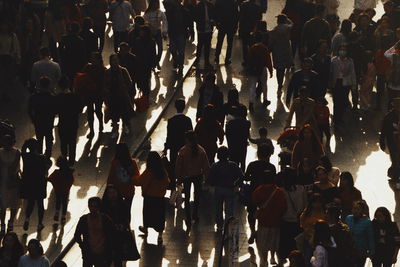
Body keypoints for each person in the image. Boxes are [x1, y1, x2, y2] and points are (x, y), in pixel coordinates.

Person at [175, 131, 210, 230]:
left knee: (187, 197)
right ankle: (195, 214)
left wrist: (178, 178)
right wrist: (207, 178)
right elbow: (206, 166)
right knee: (197, 196)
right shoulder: (201, 150)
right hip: (198, 176)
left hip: (186, 176)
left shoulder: (183, 151)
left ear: (187, 139)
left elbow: (178, 166)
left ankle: (188, 217)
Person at [134, 151, 169, 243]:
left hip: (149, 197)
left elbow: (139, 182)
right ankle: (160, 235)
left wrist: (132, 177)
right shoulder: (162, 171)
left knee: (147, 214)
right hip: (160, 198)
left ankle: (146, 229)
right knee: (159, 217)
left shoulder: (149, 171)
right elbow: (167, 182)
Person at [244, 144, 276, 244]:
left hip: (253, 192)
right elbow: (273, 181)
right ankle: (260, 231)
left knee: (251, 213)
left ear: (258, 154)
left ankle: (253, 231)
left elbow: (246, 177)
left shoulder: (252, 165)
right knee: (265, 213)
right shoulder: (271, 167)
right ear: (269, 155)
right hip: (267, 194)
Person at [207, 146, 242, 231]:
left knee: (218, 208)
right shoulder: (233, 165)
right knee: (229, 209)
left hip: (218, 189)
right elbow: (241, 176)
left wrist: (211, 185)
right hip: (230, 189)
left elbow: (210, 178)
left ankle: (219, 226)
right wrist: (236, 184)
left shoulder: (215, 166)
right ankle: (228, 226)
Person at [252, 181, 287, 267]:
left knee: (263, 242)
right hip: (275, 221)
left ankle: (264, 259)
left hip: (263, 221)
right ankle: (272, 257)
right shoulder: (279, 191)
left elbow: (254, 202)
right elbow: (283, 206)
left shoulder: (258, 190)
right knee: (274, 241)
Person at [278, 167, 307, 266]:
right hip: (298, 223)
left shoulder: (281, 191)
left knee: (284, 249)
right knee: (296, 249)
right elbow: (305, 205)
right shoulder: (301, 189)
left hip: (285, 224)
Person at [74, 197, 115, 267]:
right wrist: (83, 246)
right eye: (91, 206)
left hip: (103, 252)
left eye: (95, 206)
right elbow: (77, 235)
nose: (93, 208)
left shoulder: (105, 219)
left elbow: (112, 234)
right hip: (88, 252)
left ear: (99, 207)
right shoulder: (83, 219)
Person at [21, 138, 51, 232]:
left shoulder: (25, 157)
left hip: (30, 184)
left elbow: (22, 150)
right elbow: (45, 168)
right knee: (40, 205)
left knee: (30, 203)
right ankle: (39, 223)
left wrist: (25, 143)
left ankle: (27, 219)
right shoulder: (42, 157)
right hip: (40, 183)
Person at [104, 54, 135, 137]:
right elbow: (105, 84)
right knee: (114, 114)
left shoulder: (123, 70)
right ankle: (115, 130)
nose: (115, 62)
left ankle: (125, 126)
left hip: (122, 96)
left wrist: (125, 90)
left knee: (124, 113)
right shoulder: (107, 72)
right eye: (113, 60)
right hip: (112, 97)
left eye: (116, 60)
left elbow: (129, 82)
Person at [164, 98, 193, 187]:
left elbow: (169, 136)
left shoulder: (171, 120)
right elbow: (191, 135)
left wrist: (166, 147)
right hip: (185, 146)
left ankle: (173, 183)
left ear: (175, 107)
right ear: (184, 107)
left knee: (173, 164)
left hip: (173, 146)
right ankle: (184, 184)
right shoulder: (188, 120)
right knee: (185, 165)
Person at [107, 143, 140, 222]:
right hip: (129, 191)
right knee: (127, 210)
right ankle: (127, 225)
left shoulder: (115, 163)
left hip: (117, 191)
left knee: (117, 210)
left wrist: (108, 187)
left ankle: (119, 224)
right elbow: (137, 177)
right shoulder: (132, 163)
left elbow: (111, 176)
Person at [101, 185, 131, 267]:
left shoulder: (123, 205)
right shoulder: (103, 206)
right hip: (106, 236)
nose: (112, 195)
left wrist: (123, 225)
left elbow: (127, 218)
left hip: (119, 236)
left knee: (118, 258)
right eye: (110, 193)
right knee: (107, 259)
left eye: (114, 192)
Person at [56, 76, 83, 165]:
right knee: (72, 142)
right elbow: (80, 110)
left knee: (63, 142)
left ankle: (64, 158)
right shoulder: (75, 96)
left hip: (62, 122)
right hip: (73, 122)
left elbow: (55, 110)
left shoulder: (58, 97)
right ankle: (71, 160)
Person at [28, 76, 56, 157]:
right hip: (49, 121)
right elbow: (56, 109)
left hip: (38, 120)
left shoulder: (34, 97)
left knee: (39, 139)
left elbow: (29, 110)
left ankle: (39, 155)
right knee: (49, 139)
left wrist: (33, 119)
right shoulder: (52, 97)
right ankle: (47, 156)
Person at [329, 44, 357, 126]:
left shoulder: (350, 61)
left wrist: (354, 85)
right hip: (336, 82)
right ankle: (336, 119)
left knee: (343, 101)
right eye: (341, 49)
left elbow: (353, 73)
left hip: (345, 83)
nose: (343, 51)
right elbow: (331, 72)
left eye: (344, 50)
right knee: (336, 101)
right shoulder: (334, 60)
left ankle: (340, 117)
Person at [81, 52, 106, 138]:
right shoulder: (88, 67)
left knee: (98, 110)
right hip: (89, 93)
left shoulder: (102, 69)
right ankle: (92, 130)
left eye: (93, 58)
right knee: (90, 112)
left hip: (98, 93)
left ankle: (100, 123)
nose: (92, 59)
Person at [247, 32, 273, 111]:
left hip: (253, 69)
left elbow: (249, 59)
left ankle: (251, 102)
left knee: (252, 86)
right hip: (262, 68)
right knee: (264, 84)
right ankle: (265, 100)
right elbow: (268, 60)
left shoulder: (252, 48)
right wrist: (270, 70)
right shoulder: (264, 48)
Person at [345, 200, 375, 267]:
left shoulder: (367, 222)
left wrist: (371, 252)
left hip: (361, 251)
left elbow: (370, 238)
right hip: (349, 249)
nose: (355, 211)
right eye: (354, 208)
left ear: (362, 210)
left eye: (358, 209)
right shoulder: (348, 218)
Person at [0, 135, 21, 233]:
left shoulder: (16, 153)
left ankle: (6, 223)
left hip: (6, 182)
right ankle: (7, 223)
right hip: (9, 182)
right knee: (8, 205)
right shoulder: (16, 153)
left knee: (9, 204)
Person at [269, 14, 294, 95]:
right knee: (284, 69)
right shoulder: (287, 28)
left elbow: (271, 42)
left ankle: (279, 84)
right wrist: (288, 19)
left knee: (279, 70)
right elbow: (292, 24)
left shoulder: (275, 30)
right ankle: (281, 83)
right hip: (286, 52)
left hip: (277, 53)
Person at [164, 0, 190, 74]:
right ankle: (176, 60)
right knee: (172, 50)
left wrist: (190, 30)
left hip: (181, 33)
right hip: (173, 33)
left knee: (181, 52)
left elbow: (188, 22)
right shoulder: (170, 11)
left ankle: (181, 66)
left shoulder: (184, 11)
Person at [299, 194, 327, 264]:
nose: (317, 204)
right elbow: (302, 223)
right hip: (308, 238)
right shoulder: (307, 212)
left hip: (321, 240)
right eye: (315, 202)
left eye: (319, 202)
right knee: (307, 258)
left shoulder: (325, 212)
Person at [131, 25, 156, 96]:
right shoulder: (137, 40)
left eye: (142, 31)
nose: (140, 33)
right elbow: (133, 51)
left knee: (145, 82)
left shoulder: (151, 42)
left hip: (146, 65)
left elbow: (153, 53)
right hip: (139, 64)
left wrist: (153, 63)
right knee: (140, 81)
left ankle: (145, 97)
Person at [48, 156, 74, 224]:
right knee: (65, 202)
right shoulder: (69, 172)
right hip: (65, 190)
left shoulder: (56, 172)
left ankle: (57, 212)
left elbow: (50, 178)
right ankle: (63, 216)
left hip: (58, 190)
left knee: (58, 201)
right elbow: (71, 180)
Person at [144, 0, 168, 70]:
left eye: (157, 3)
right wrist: (148, 25)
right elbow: (144, 21)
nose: (156, 4)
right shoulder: (147, 13)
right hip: (150, 33)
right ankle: (155, 64)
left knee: (160, 49)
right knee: (153, 49)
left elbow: (165, 22)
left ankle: (157, 61)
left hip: (158, 32)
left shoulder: (160, 13)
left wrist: (164, 32)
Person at [226, 105, 251, 171]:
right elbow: (247, 135)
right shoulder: (247, 123)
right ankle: (241, 177)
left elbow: (228, 136)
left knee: (233, 163)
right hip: (242, 146)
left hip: (233, 146)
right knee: (242, 162)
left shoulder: (230, 123)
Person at [214, 0, 239, 65]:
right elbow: (236, 15)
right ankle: (227, 59)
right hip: (231, 26)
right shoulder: (234, 3)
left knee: (219, 41)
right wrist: (236, 26)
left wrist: (217, 23)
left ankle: (217, 57)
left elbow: (215, 13)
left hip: (222, 24)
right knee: (229, 43)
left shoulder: (219, 2)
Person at [0, 21, 20, 100]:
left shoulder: (12, 36)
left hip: (9, 58)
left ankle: (6, 93)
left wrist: (18, 57)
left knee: (8, 77)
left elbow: (16, 47)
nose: (4, 27)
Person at [193, 0, 215, 68]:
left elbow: (214, 15)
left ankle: (205, 61)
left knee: (206, 46)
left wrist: (212, 21)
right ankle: (200, 60)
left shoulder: (209, 5)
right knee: (201, 45)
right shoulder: (199, 6)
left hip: (208, 29)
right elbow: (195, 17)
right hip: (202, 29)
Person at [239, 0, 262, 66]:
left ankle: (246, 60)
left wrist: (240, 28)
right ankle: (252, 59)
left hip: (245, 27)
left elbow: (241, 17)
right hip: (253, 28)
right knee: (252, 44)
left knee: (244, 45)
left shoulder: (244, 5)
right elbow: (259, 18)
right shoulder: (257, 7)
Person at [380, 98, 400, 172]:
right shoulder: (388, 117)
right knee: (395, 158)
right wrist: (382, 142)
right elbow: (383, 130)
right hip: (392, 142)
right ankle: (395, 172)